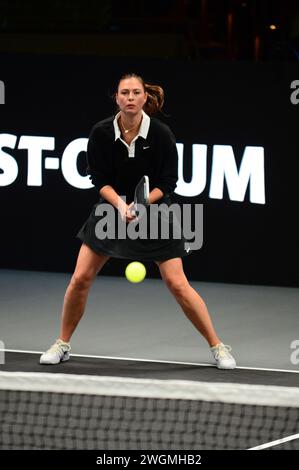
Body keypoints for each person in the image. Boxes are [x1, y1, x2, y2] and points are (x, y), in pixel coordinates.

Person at [40, 73, 236, 369]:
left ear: (145, 98)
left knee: (177, 283)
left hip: (156, 210)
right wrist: (121, 204)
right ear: (116, 98)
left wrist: (141, 204)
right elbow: (99, 179)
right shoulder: (101, 132)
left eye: (135, 93)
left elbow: (169, 181)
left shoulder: (161, 134)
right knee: (80, 278)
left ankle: (218, 346)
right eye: (124, 93)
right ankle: (62, 343)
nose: (130, 98)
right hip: (112, 209)